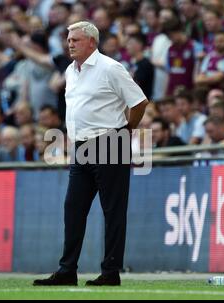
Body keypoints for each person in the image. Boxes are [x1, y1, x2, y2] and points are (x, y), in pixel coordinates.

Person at [33, 21, 148, 287]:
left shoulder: (110, 68)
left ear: (92, 42)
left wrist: (126, 130)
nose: (69, 43)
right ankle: (67, 269)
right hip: (81, 146)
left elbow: (139, 102)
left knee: (113, 210)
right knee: (73, 208)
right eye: (69, 39)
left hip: (110, 141)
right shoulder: (71, 71)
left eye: (75, 39)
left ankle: (111, 272)